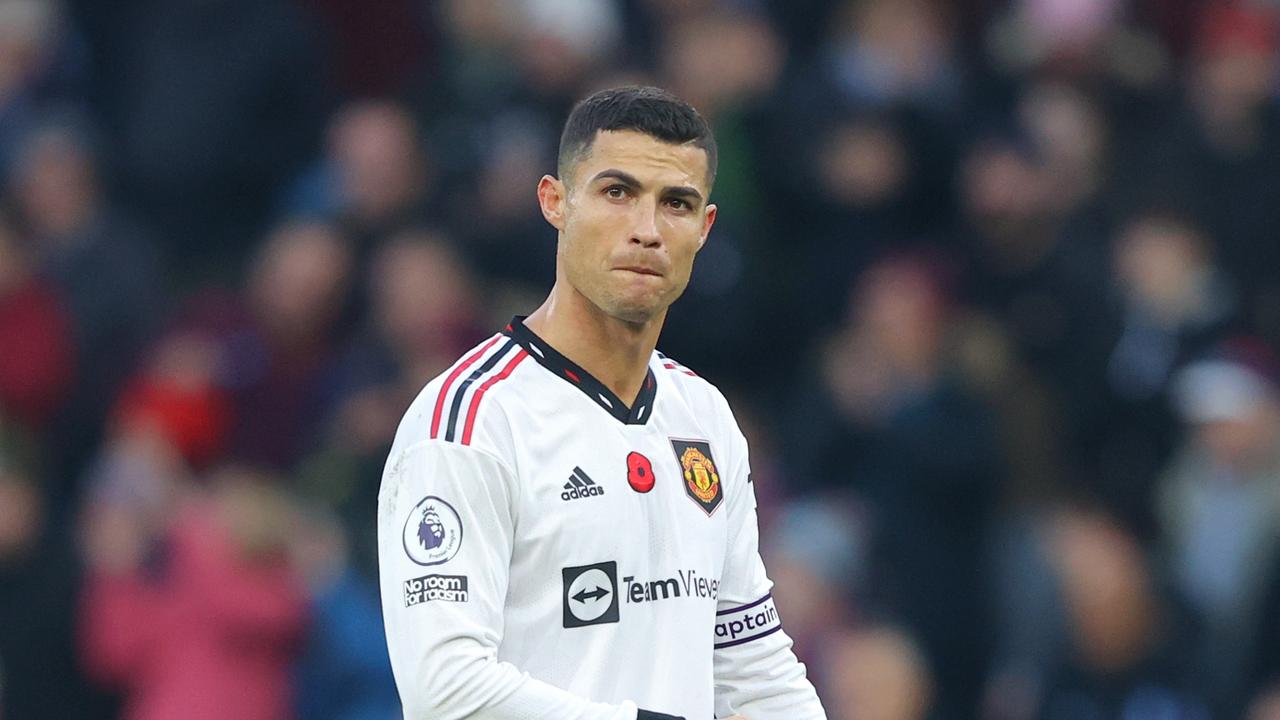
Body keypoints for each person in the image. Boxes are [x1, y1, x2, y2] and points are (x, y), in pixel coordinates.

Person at [377, 86, 827, 720]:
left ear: (704, 229)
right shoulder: (470, 419)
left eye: (676, 203)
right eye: (618, 193)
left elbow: (750, 666)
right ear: (556, 202)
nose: (646, 230)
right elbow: (445, 691)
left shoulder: (703, 416)